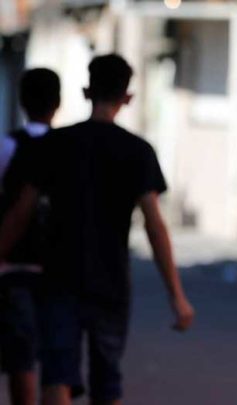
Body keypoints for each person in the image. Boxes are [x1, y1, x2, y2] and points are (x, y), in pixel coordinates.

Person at [0, 54, 195, 405]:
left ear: (86, 91)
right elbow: (155, 226)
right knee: (107, 383)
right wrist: (176, 295)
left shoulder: (54, 145)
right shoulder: (138, 151)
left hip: (59, 278)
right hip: (111, 283)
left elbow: (20, 214)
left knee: (56, 373)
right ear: (128, 98)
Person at [0, 68, 60, 405]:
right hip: (58, 268)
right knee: (55, 356)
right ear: (59, 102)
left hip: (15, 267)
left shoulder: (8, 146)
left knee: (21, 356)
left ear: (22, 101)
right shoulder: (67, 147)